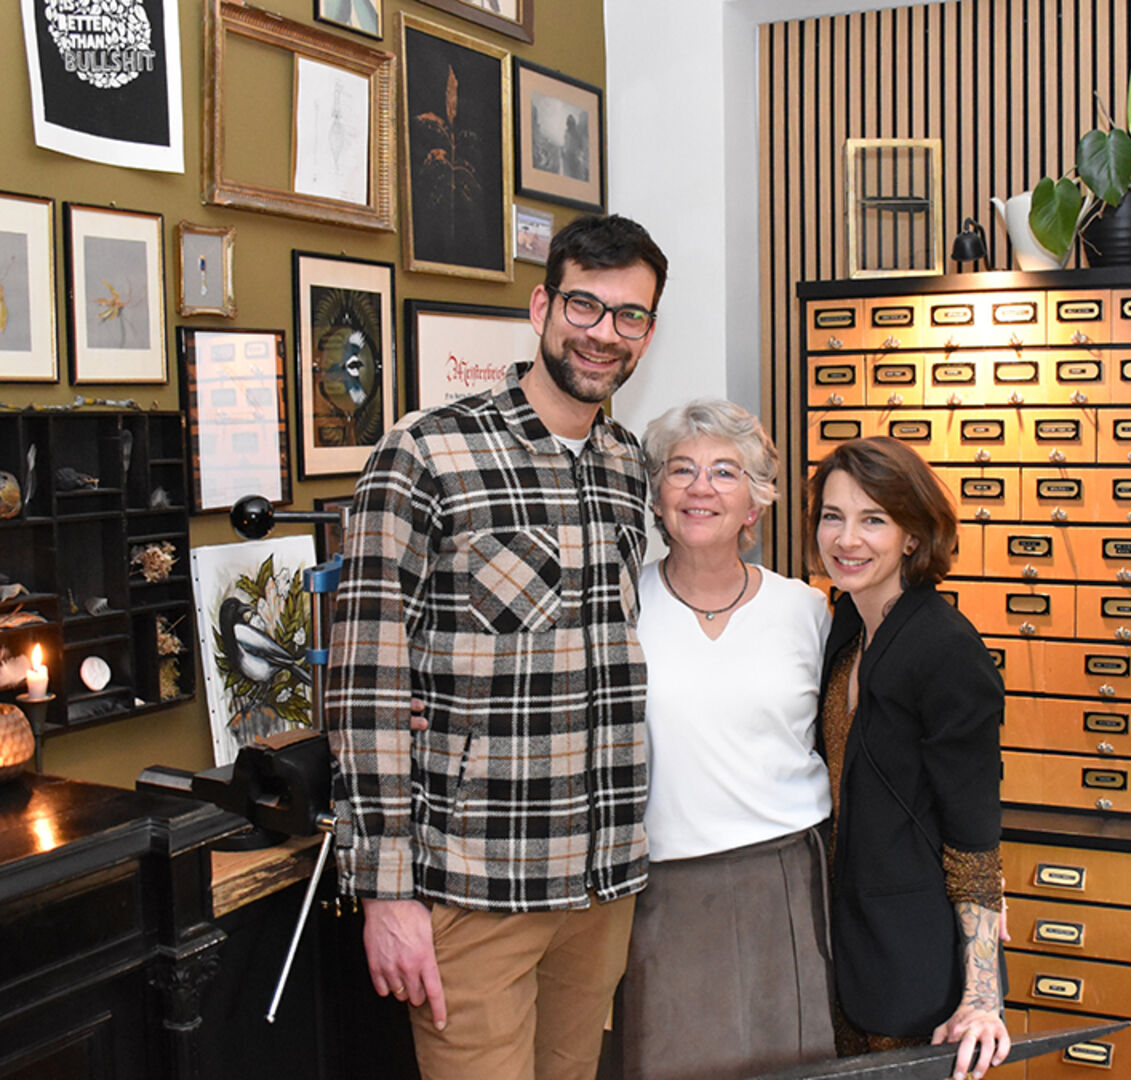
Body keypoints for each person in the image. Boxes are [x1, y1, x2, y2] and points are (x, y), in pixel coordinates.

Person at [326, 213, 668, 1080]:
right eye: (585, 307)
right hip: (476, 890)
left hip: (602, 887)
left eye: (629, 315)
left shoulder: (628, 464)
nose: (604, 334)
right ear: (542, 304)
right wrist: (386, 892)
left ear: (649, 332)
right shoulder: (425, 452)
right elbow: (366, 687)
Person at [612, 399, 834, 1080]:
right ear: (656, 497)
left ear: (755, 504)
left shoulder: (808, 609)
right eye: (680, 471)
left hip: (786, 882)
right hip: (663, 888)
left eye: (724, 472)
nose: (700, 488)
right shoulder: (620, 605)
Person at [808, 436, 1010, 1080]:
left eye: (874, 519)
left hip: (916, 961)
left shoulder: (945, 649)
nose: (847, 539)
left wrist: (982, 996)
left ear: (913, 536)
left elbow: (972, 829)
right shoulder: (846, 626)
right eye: (833, 516)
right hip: (846, 946)